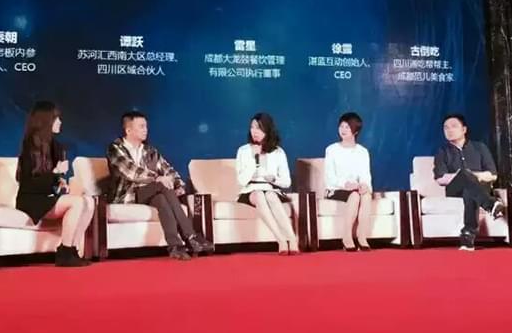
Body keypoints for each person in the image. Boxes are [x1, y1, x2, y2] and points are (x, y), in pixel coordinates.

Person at [106, 111, 213, 261]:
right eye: (141, 126)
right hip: (128, 195)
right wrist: (158, 178)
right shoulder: (115, 148)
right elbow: (132, 172)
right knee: (162, 186)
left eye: (146, 126)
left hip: (150, 192)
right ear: (128, 130)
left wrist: (178, 185)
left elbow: (168, 170)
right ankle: (191, 236)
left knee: (162, 199)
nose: (145, 130)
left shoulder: (150, 151)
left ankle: (175, 247)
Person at [16, 101, 95, 267]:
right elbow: (29, 183)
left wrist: (61, 182)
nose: (60, 122)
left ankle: (73, 249)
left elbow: (53, 180)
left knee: (89, 202)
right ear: (46, 120)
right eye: (56, 118)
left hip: (48, 196)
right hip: (32, 199)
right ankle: (64, 251)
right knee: (77, 202)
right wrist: (56, 173)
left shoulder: (56, 146)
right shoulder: (30, 146)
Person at [433, 113, 504, 252]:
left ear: (464, 129)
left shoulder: (480, 147)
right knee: (465, 175)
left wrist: (473, 176)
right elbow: (440, 178)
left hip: (479, 187)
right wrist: (463, 175)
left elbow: (492, 175)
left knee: (470, 189)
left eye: (453, 126)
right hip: (455, 190)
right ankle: (490, 204)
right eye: (446, 127)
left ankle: (468, 235)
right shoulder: (442, 151)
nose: (449, 130)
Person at [235, 112, 300, 255]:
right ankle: (281, 240)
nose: (254, 131)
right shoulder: (243, 151)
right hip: (250, 190)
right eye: (252, 127)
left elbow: (287, 182)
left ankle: (292, 239)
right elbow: (241, 180)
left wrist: (273, 179)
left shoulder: (278, 152)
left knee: (270, 195)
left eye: (258, 128)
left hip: (270, 188)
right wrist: (254, 158)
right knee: (259, 194)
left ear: (267, 130)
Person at [324, 112, 373, 252]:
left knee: (366, 195)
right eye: (341, 126)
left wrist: (365, 185)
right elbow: (330, 178)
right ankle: (346, 237)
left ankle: (362, 237)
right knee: (355, 195)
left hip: (355, 188)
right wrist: (346, 184)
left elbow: (365, 175)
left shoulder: (362, 151)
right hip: (335, 189)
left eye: (347, 127)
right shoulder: (331, 150)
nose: (343, 130)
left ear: (355, 131)